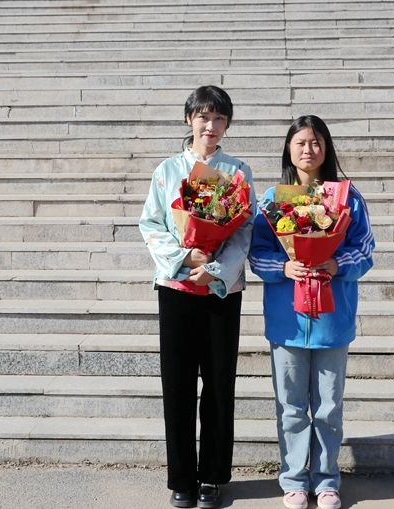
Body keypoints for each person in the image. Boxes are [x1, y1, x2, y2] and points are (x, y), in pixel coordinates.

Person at [249, 115, 375, 509]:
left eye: (316, 142)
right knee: (290, 407)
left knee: (328, 407)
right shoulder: (273, 199)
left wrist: (337, 264)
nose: (309, 149)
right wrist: (283, 267)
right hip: (287, 321)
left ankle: (326, 480)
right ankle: (293, 480)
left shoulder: (348, 198)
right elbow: (256, 253)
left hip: (332, 320)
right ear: (289, 149)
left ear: (327, 148)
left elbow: (365, 249)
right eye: (301, 142)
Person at [139, 85, 255, 509]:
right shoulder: (167, 170)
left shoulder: (238, 172)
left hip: (221, 291)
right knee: (179, 385)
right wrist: (185, 257)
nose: (211, 125)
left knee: (220, 383)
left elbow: (244, 229)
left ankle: (212, 477)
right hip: (177, 288)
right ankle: (182, 479)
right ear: (189, 119)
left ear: (227, 124)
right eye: (204, 117)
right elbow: (151, 224)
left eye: (219, 118)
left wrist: (216, 269)